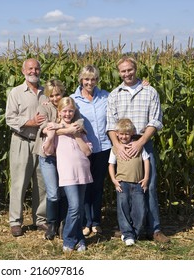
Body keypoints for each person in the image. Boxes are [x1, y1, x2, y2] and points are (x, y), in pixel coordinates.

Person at [106, 56, 170, 243]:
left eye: (129, 70)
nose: (127, 74)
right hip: (121, 144)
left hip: (143, 143)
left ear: (135, 69)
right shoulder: (114, 94)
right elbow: (110, 124)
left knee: (147, 185)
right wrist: (117, 146)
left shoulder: (149, 91)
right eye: (123, 71)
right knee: (123, 188)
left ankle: (154, 229)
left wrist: (140, 142)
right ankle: (129, 229)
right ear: (119, 72)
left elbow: (156, 120)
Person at [33, 79, 83, 240]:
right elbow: (46, 128)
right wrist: (68, 129)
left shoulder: (69, 105)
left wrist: (60, 128)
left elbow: (80, 123)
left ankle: (63, 223)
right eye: (52, 95)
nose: (55, 98)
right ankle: (52, 223)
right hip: (48, 155)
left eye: (58, 94)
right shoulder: (44, 107)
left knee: (63, 192)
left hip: (65, 155)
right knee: (53, 193)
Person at [43, 97, 93, 252]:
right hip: (67, 173)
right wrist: (52, 135)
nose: (68, 113)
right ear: (59, 112)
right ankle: (68, 239)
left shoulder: (79, 129)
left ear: (74, 112)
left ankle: (80, 239)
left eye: (71, 111)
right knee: (74, 206)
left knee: (79, 208)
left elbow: (87, 151)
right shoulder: (55, 130)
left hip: (83, 172)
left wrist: (76, 134)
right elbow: (48, 151)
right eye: (64, 111)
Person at [5, 58, 48, 237]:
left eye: (37, 68)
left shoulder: (47, 93)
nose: (34, 71)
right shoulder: (16, 92)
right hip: (22, 141)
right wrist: (29, 122)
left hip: (43, 142)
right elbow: (10, 118)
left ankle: (40, 219)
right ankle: (15, 221)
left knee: (42, 184)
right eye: (30, 68)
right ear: (23, 71)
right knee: (19, 183)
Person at [69, 65, 111, 236]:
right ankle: (86, 222)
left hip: (103, 147)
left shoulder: (106, 96)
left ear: (97, 80)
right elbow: (61, 109)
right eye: (86, 79)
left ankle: (96, 222)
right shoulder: (74, 99)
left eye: (93, 79)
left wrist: (143, 84)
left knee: (98, 185)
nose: (90, 82)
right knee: (85, 185)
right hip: (84, 149)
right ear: (81, 80)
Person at [108, 118, 149, 246]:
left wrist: (146, 178)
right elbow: (111, 165)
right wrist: (114, 180)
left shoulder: (137, 146)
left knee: (140, 209)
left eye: (127, 133)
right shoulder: (115, 148)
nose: (124, 136)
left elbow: (146, 161)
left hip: (137, 183)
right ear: (116, 134)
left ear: (131, 133)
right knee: (123, 208)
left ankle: (135, 232)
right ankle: (127, 234)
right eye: (121, 134)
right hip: (122, 184)